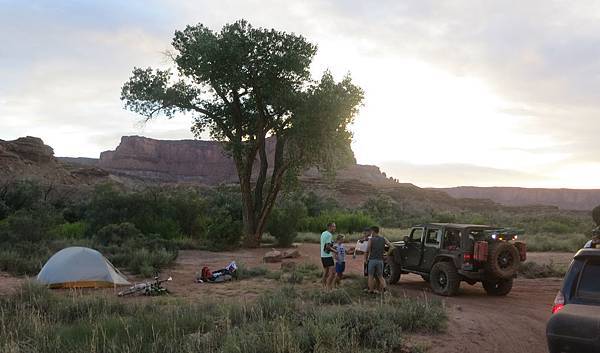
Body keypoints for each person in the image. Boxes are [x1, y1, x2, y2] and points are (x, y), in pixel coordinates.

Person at [365, 226, 391, 294]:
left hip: (372, 260)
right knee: (380, 276)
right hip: (380, 260)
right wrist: (387, 254)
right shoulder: (383, 238)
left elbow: (367, 250)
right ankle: (385, 290)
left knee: (370, 276)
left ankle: (371, 290)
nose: (370, 233)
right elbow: (391, 246)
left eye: (371, 232)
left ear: (373, 231)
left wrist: (365, 259)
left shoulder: (371, 239)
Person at [320, 222, 337, 290]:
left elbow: (326, 245)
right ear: (330, 227)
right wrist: (336, 251)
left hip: (323, 255)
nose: (335, 228)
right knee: (332, 272)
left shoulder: (323, 233)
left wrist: (333, 247)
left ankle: (323, 286)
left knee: (326, 271)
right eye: (334, 226)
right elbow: (327, 247)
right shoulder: (329, 235)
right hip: (327, 256)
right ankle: (328, 287)